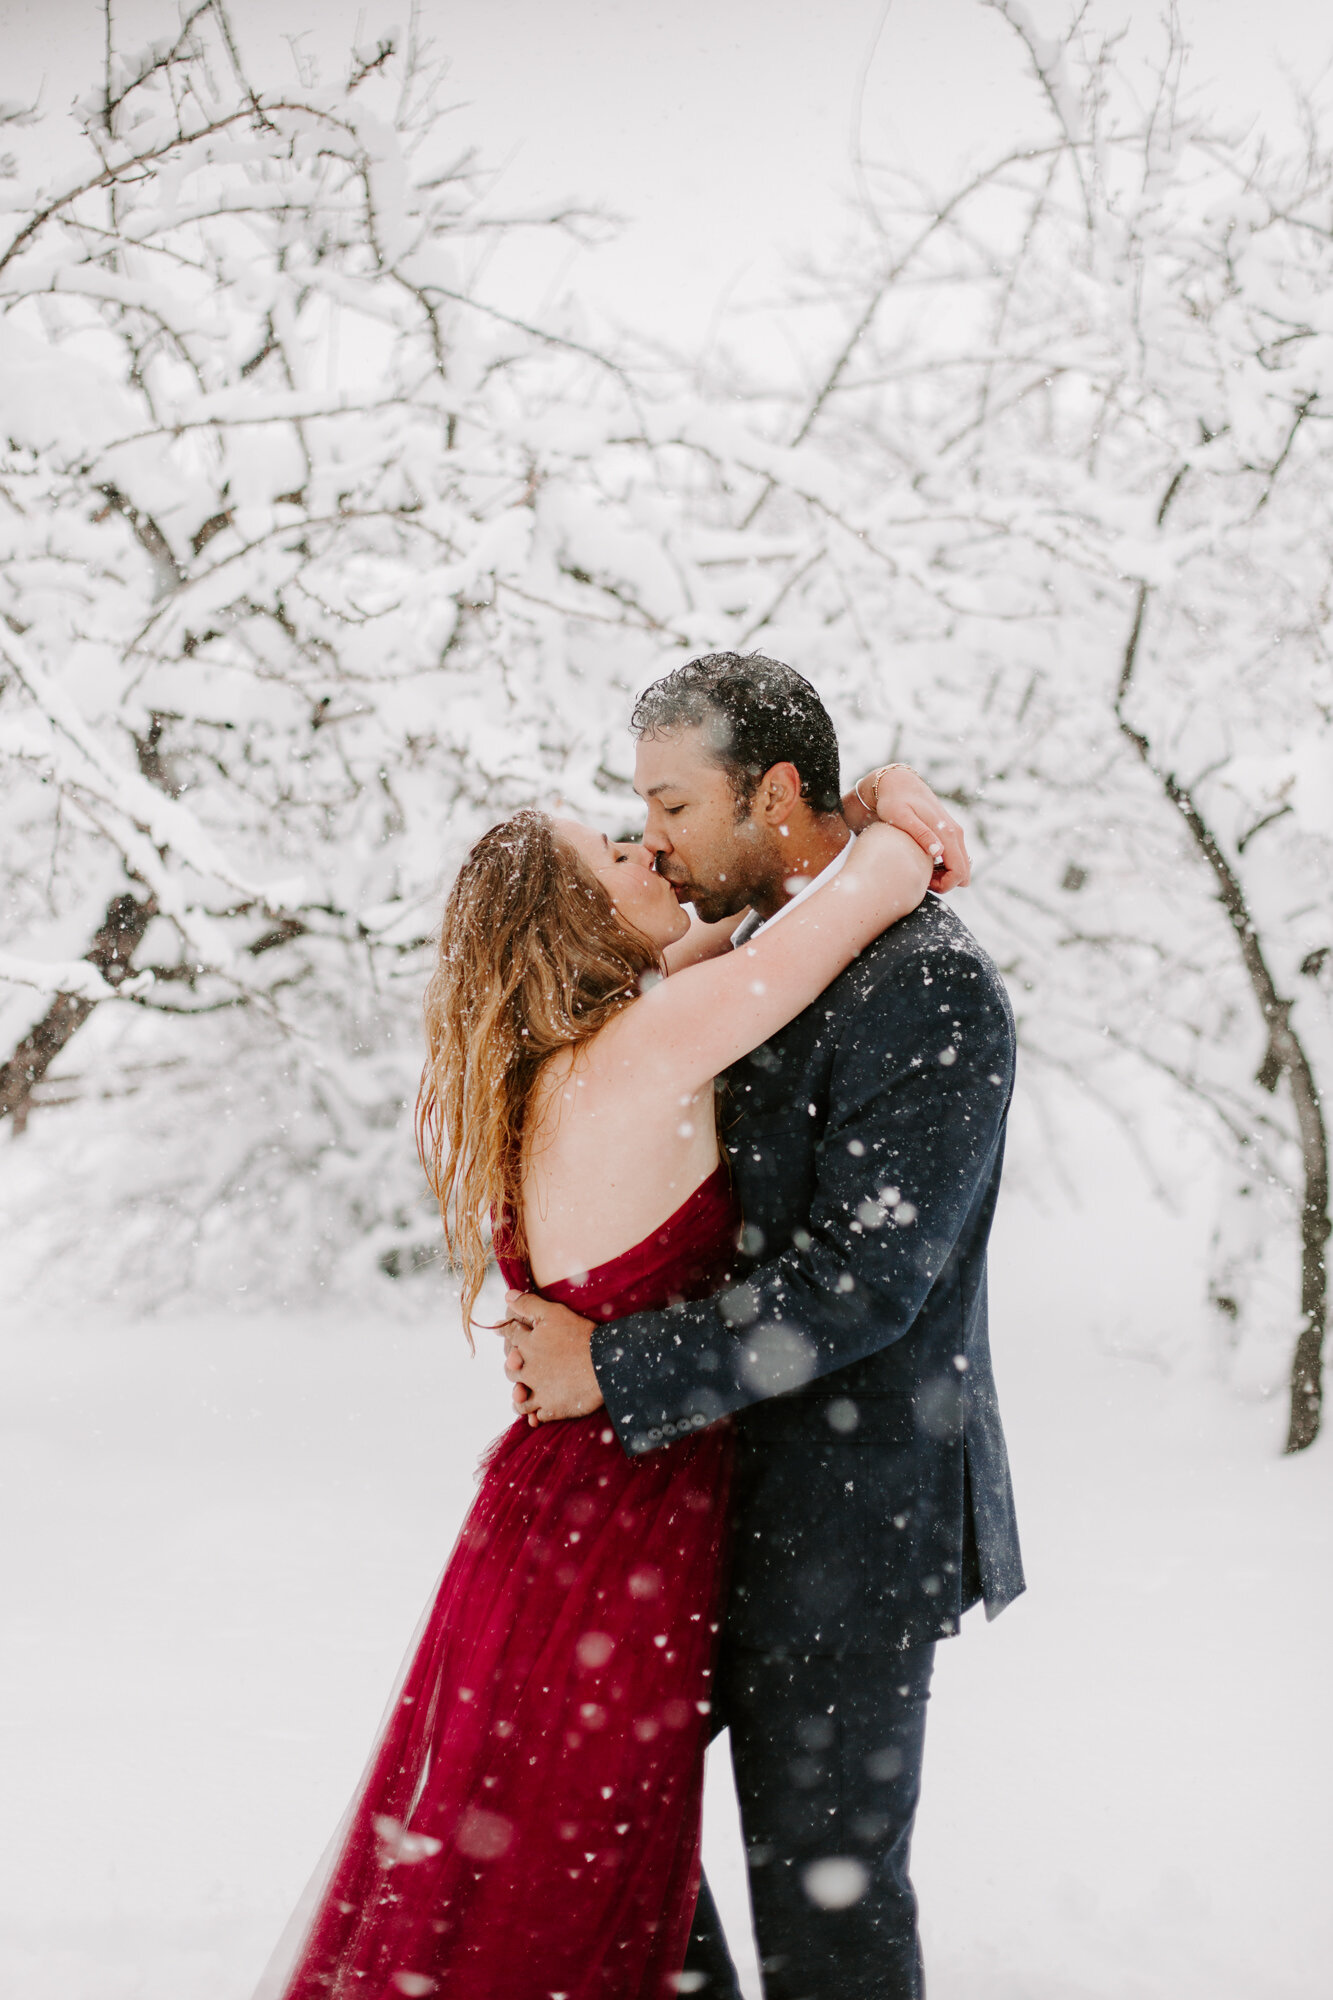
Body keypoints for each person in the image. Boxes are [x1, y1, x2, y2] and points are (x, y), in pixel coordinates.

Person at [255, 713, 956, 2000]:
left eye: (650, 825)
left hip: (558, 1510)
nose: (655, 855)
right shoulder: (645, 1050)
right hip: (613, 1525)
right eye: (622, 854)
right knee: (579, 1886)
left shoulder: (574, 1057)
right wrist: (893, 811)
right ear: (579, 929)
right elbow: (859, 903)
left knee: (552, 1868)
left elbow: (718, 940)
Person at [504, 652, 1025, 2000]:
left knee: (826, 1904)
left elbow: (864, 1281)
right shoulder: (748, 954)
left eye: (673, 805)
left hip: (849, 1524)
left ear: (775, 791)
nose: (655, 842)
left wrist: (611, 1366)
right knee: (601, 1847)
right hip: (688, 1500)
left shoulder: (929, 987)